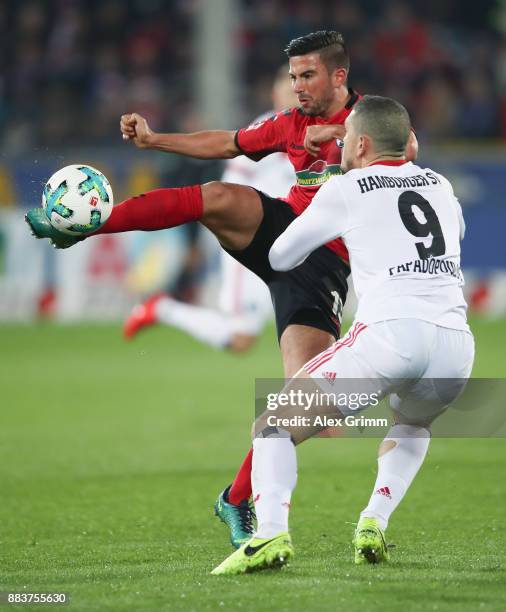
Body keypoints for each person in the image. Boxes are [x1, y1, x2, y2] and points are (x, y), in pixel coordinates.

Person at [25, 31, 417, 548]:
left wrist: (339, 144)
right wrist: (155, 139)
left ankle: (234, 500)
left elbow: (407, 150)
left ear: (338, 76)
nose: (297, 87)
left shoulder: (372, 121)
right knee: (214, 196)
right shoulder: (287, 124)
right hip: (284, 228)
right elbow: (226, 142)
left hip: (324, 268)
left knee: (299, 403)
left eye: (308, 76)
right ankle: (91, 224)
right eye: (293, 76)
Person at [210, 95, 474, 575]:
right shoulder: (441, 184)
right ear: (410, 142)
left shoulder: (346, 187)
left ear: (362, 144)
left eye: (347, 136)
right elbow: (453, 231)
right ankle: (373, 520)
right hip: (455, 346)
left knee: (272, 427)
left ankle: (269, 535)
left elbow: (282, 257)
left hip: (391, 336)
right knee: (412, 425)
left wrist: (329, 194)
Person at [123, 69, 297, 352]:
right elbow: (229, 191)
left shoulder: (310, 130)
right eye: (288, 92)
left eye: (299, 92)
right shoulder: (264, 132)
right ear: (275, 95)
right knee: (241, 339)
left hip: (292, 246)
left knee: (308, 331)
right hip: (255, 249)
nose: (295, 99)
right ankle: (162, 308)